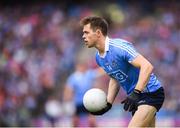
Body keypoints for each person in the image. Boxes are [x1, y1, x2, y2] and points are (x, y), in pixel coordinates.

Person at [80, 16, 165, 127]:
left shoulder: (119, 47)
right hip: (137, 98)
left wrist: (136, 92)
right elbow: (115, 78)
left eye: (86, 32)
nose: (83, 36)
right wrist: (108, 104)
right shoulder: (98, 58)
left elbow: (147, 66)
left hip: (150, 94)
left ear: (98, 33)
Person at [63, 60, 104, 127]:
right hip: (78, 102)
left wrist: (108, 67)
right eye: (80, 66)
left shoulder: (89, 74)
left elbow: (99, 72)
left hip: (88, 101)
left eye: (83, 66)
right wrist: (67, 100)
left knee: (92, 120)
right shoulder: (73, 77)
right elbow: (68, 90)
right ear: (77, 67)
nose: (82, 68)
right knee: (75, 121)